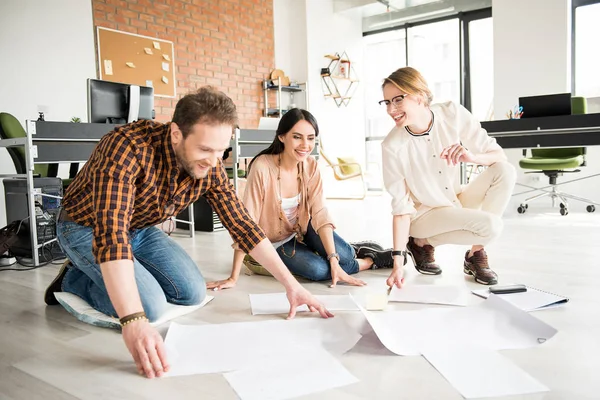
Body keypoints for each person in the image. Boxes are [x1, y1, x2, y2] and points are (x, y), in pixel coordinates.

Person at [43, 87, 333, 379]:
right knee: (149, 309)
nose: (213, 161)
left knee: (192, 293)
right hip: (84, 227)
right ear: (175, 134)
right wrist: (133, 321)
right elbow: (111, 235)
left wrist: (291, 286)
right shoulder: (126, 148)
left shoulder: (212, 164)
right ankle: (72, 279)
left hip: (140, 228)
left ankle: (112, 273)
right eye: (205, 150)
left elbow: (244, 226)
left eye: (221, 151)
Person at [207, 108, 393, 291]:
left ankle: (351, 251)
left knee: (343, 255)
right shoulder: (262, 167)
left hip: (303, 230)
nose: (305, 145)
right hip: (274, 242)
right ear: (282, 136)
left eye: (310, 138)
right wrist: (233, 277)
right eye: (297, 137)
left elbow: (320, 212)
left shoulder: (311, 166)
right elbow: (248, 219)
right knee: (318, 270)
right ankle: (370, 260)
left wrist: (335, 260)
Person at [379, 67, 516, 289]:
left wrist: (471, 157)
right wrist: (398, 262)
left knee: (505, 171)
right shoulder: (392, 147)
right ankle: (420, 241)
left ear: (420, 97)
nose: (391, 109)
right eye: (386, 102)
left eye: (397, 100)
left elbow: (499, 156)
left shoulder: (452, 113)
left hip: (455, 198)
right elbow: (401, 209)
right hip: (424, 215)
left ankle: (474, 253)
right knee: (491, 226)